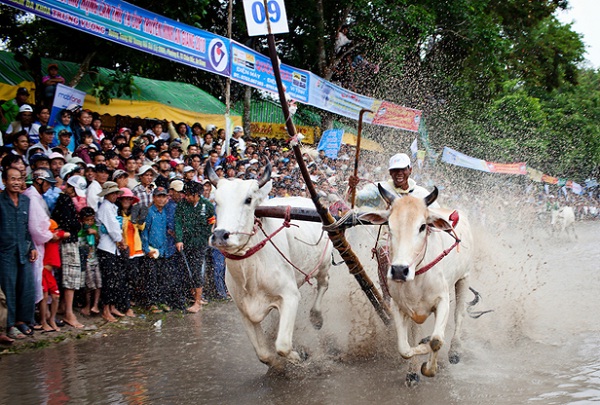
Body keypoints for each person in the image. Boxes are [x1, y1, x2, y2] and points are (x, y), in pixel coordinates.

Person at [0, 168, 38, 340]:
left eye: (19, 179)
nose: (16, 182)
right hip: (5, 252)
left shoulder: (25, 201)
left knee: (26, 287)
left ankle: (22, 321)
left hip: (23, 249)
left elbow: (25, 227)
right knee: (9, 288)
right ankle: (8, 325)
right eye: (12, 179)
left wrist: (32, 247)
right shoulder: (0, 201)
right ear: (4, 181)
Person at [175, 181, 215, 313]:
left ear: (197, 195)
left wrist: (206, 236)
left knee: (197, 270)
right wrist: (179, 239)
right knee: (187, 271)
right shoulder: (182, 205)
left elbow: (212, 222)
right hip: (186, 243)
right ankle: (192, 297)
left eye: (189, 195)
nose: (186, 197)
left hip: (200, 244)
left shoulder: (207, 205)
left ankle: (198, 302)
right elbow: (178, 223)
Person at [23, 168, 57, 322]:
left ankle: (44, 315)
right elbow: (36, 227)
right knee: (37, 281)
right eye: (47, 184)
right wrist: (51, 235)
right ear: (39, 180)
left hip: (42, 243)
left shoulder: (37, 197)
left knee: (42, 280)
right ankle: (35, 317)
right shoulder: (31, 197)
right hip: (36, 244)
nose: (49, 187)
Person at [51, 174, 85, 328]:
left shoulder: (64, 200)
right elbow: (70, 224)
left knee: (68, 278)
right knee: (70, 278)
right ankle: (69, 314)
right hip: (68, 242)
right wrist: (77, 226)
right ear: (69, 187)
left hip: (66, 242)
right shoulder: (64, 201)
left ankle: (64, 308)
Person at [348, 153, 437, 209]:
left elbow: (436, 212)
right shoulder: (379, 189)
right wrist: (352, 187)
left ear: (410, 170)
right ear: (390, 172)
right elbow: (356, 199)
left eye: (403, 169)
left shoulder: (421, 193)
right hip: (383, 236)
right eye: (395, 169)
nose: (399, 173)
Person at [95, 181, 127, 322]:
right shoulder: (105, 208)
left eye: (116, 193)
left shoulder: (112, 207)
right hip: (106, 247)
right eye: (113, 193)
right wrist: (121, 240)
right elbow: (113, 229)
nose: (115, 195)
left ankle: (113, 306)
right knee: (108, 280)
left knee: (115, 278)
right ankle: (106, 310)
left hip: (113, 248)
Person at [40, 219, 67, 332]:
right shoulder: (43, 238)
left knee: (56, 296)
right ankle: (43, 321)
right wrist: (49, 235)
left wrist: (54, 235)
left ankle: (52, 318)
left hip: (50, 272)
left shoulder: (55, 236)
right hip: (43, 270)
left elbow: (66, 234)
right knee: (44, 296)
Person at [78, 207, 101, 317]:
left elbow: (98, 241)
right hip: (85, 261)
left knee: (98, 283)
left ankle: (95, 305)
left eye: (91, 220)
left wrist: (95, 234)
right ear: (82, 220)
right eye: (87, 220)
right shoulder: (79, 230)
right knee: (88, 285)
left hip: (95, 258)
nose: (89, 222)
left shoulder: (94, 228)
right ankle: (87, 305)